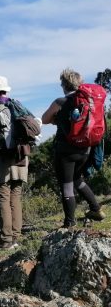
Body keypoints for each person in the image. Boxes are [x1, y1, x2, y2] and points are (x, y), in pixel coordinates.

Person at [42, 68, 105, 227]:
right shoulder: (88, 101)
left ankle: (69, 223)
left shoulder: (60, 102)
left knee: (67, 185)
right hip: (85, 149)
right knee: (77, 179)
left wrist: (57, 119)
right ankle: (96, 209)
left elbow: (44, 119)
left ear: (64, 85)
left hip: (65, 151)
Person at [0, 76, 29, 250]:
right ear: (6, 90)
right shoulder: (16, 104)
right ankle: (16, 237)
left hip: (0, 156)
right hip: (20, 155)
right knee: (16, 195)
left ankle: (6, 240)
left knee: (3, 196)